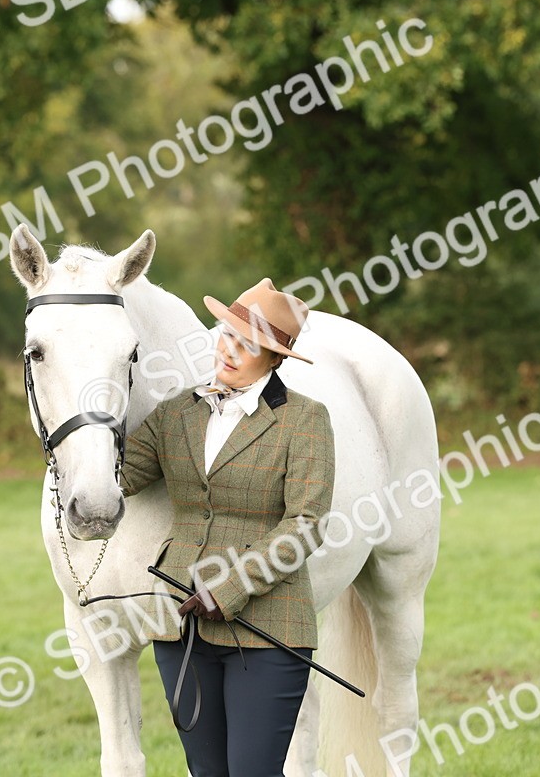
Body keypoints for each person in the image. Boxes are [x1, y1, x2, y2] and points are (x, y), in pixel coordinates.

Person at [117, 277, 336, 777]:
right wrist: (71, 428)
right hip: (181, 629)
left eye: (248, 345)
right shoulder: (177, 413)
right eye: (227, 335)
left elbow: (305, 526)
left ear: (275, 359)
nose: (230, 350)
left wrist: (229, 587)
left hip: (269, 629)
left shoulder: (305, 421)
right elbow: (120, 480)